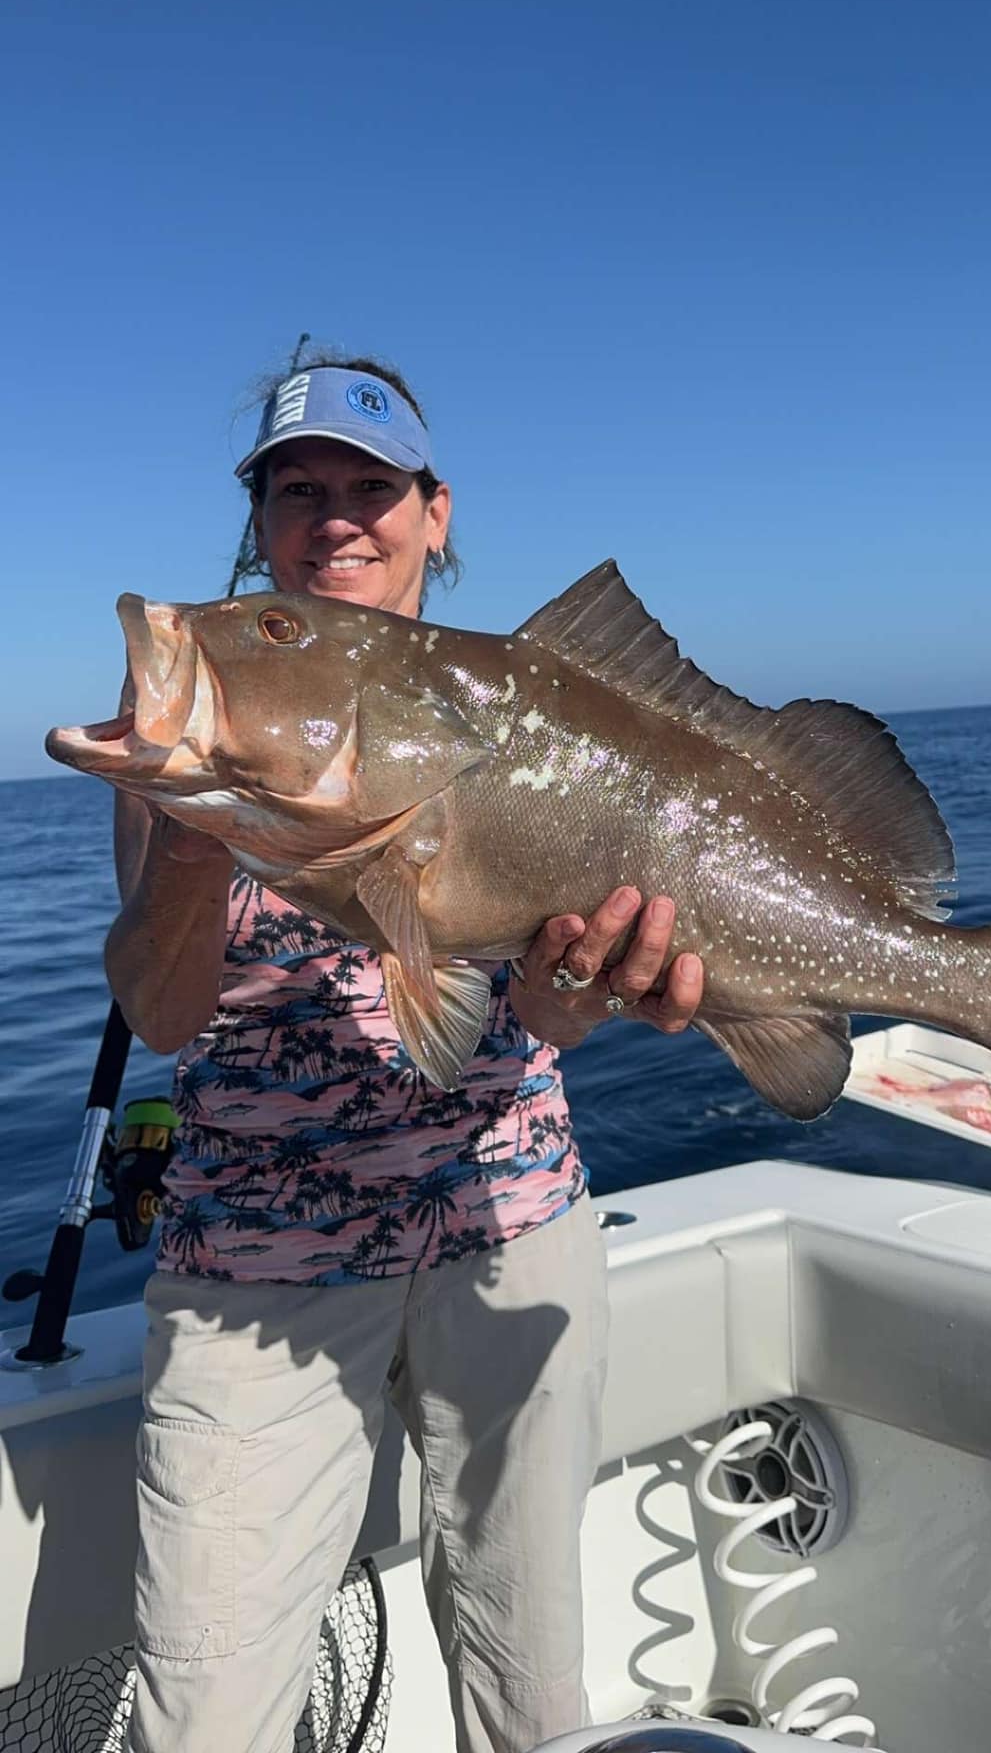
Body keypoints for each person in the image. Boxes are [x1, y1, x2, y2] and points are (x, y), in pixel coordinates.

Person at [106, 352, 707, 1753]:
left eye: (370, 488)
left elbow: (545, 1021)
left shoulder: (536, 714)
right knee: (203, 1706)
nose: (335, 519)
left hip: (511, 1229)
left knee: (530, 1674)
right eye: (296, 491)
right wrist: (192, 831)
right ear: (261, 526)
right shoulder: (195, 716)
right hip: (253, 1265)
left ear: (435, 513)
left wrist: (587, 993)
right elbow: (160, 1013)